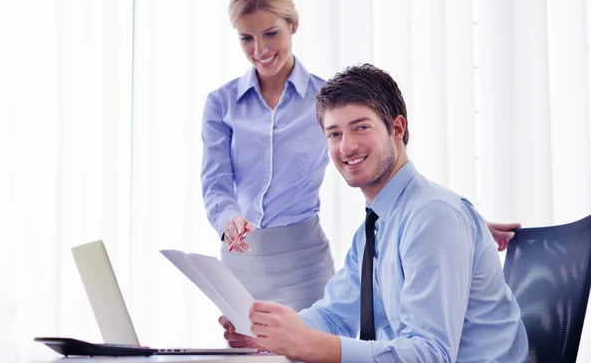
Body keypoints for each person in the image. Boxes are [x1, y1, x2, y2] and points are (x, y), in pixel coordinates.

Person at [201, 0, 518, 312]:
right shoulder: (222, 104)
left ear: (293, 25)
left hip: (303, 263)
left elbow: (382, 163)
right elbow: (215, 183)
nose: (260, 50)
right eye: (246, 38)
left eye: (271, 33)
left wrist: (455, 220)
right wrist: (228, 219)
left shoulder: (327, 102)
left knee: (308, 347)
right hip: (240, 261)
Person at [219, 64, 530, 363]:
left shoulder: (432, 217)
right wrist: (269, 333)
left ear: (397, 128)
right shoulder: (374, 228)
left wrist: (317, 346)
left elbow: (431, 354)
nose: (347, 147)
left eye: (361, 127)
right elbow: (333, 315)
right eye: (334, 134)